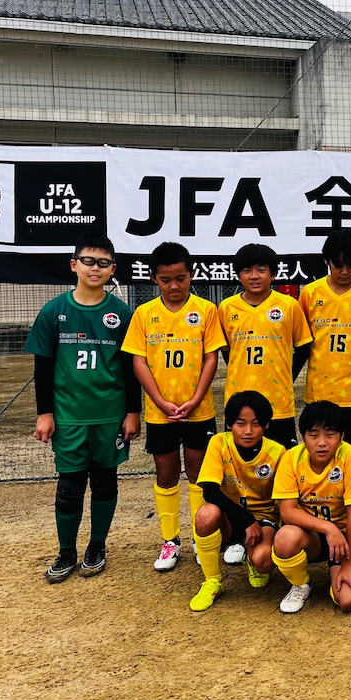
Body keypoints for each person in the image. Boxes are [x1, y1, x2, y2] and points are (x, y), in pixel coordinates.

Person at [25, 233, 141, 583]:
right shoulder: (54, 311)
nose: (95, 268)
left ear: (113, 269)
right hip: (69, 416)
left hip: (109, 415)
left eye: (103, 263)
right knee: (70, 485)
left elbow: (130, 368)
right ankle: (66, 551)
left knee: (105, 483)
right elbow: (43, 367)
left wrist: (132, 412)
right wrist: (45, 413)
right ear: (74, 265)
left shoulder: (121, 314)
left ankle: (97, 546)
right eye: (88, 261)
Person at [122, 241, 226, 572]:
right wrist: (160, 401)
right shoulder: (144, 314)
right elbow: (138, 362)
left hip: (199, 410)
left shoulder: (206, 310)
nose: (174, 286)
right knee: (166, 474)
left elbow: (211, 358)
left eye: (180, 278)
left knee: (198, 473)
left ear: (191, 275)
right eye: (166, 280)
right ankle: (170, 540)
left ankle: (200, 536)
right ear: (154, 278)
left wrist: (195, 399)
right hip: (160, 413)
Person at [270, 401, 351, 614]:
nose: (322, 443)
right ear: (303, 436)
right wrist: (328, 528)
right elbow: (287, 511)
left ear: (342, 436)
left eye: (330, 434)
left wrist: (349, 563)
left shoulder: (350, 456)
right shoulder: (291, 458)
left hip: (345, 539)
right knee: (284, 538)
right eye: (314, 435)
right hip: (312, 536)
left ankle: (339, 571)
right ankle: (301, 584)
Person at [187, 391, 284, 611]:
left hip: (263, 520)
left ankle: (252, 558)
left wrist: (258, 523)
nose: (248, 431)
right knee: (205, 514)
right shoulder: (219, 442)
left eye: (256, 424)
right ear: (229, 424)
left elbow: (284, 500)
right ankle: (213, 581)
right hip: (230, 518)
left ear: (266, 425)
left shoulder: (278, 452)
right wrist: (246, 521)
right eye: (241, 423)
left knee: (264, 561)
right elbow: (210, 491)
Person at [218, 243, 311, 449]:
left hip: (278, 401)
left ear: (273, 274)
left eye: (261, 270)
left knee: (281, 460)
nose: (254, 276)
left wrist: (287, 375)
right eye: (247, 270)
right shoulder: (226, 308)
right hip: (238, 400)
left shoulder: (289, 305)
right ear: (238, 275)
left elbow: (304, 347)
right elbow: (227, 351)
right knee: (240, 461)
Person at [298, 229, 351, 453]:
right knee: (320, 455)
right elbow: (302, 345)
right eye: (339, 265)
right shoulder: (310, 293)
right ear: (327, 260)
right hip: (320, 394)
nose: (345, 271)